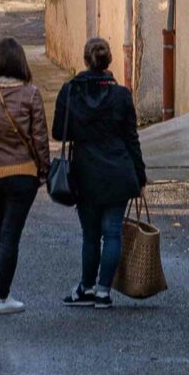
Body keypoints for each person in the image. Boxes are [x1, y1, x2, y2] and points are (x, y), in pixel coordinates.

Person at [52, 36, 146, 308]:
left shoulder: (71, 91)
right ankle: (104, 291)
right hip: (118, 171)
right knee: (113, 232)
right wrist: (140, 176)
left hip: (86, 171)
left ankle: (87, 287)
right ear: (109, 62)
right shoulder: (121, 95)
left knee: (91, 234)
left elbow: (59, 132)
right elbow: (132, 138)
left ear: (85, 60)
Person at [0, 36, 49, 315]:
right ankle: (4, 297)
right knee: (10, 235)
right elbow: (39, 137)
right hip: (21, 173)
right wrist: (44, 169)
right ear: (20, 63)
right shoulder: (31, 94)